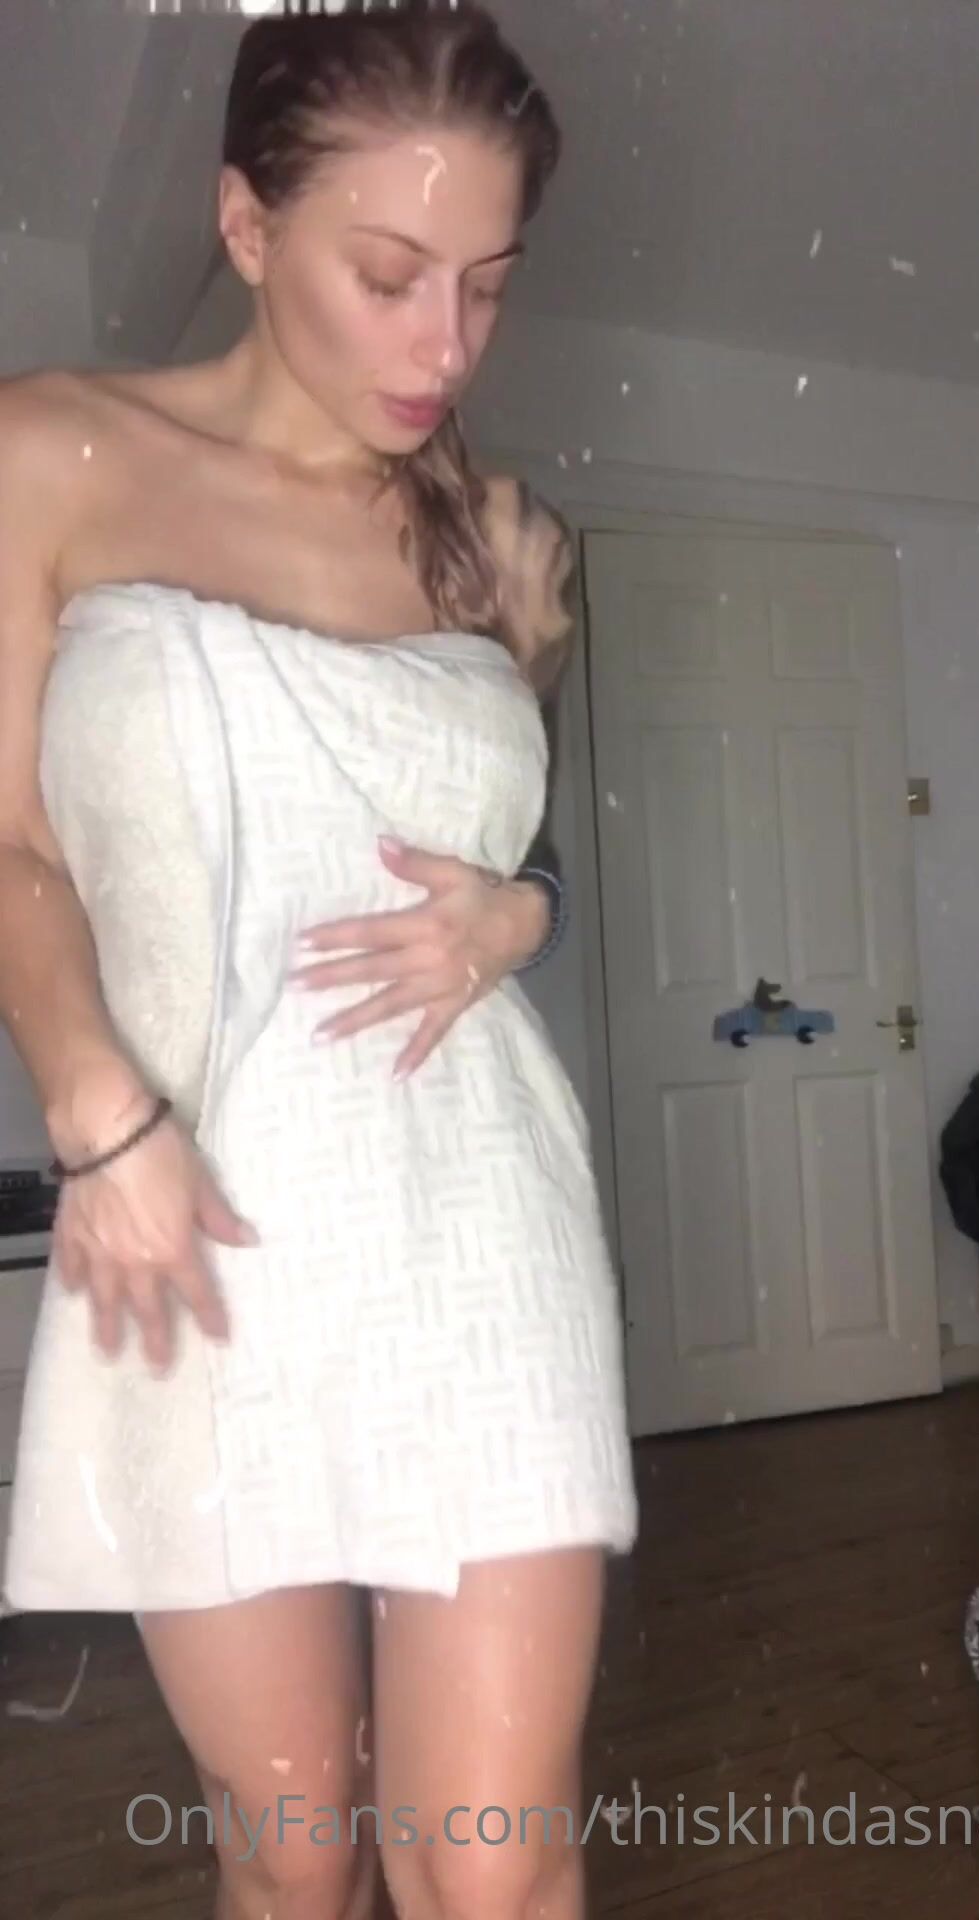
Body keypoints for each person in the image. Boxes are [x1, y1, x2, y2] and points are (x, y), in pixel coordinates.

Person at [0, 4, 639, 1917]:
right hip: (197, 1214)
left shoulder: (492, 541)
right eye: (390, 274)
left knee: (490, 1873)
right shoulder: (52, 453)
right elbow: (12, 841)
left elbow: (492, 847)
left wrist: (526, 904)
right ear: (246, 222)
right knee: (294, 1863)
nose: (446, 347)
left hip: (480, 1221)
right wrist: (96, 1112)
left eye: (489, 286)